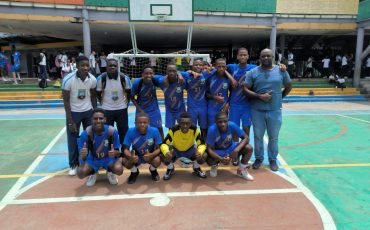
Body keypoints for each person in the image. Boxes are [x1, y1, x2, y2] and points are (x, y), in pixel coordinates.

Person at [244, 48, 292, 171]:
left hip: (274, 110)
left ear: (273, 57)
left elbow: (289, 85)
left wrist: (280, 97)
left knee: (273, 137)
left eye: (268, 56)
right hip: (257, 110)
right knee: (258, 136)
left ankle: (272, 160)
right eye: (263, 56)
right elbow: (245, 89)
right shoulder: (253, 72)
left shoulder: (281, 71)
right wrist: (259, 96)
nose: (266, 58)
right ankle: (259, 158)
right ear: (260, 58)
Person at [62, 55, 97, 176]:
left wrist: (94, 112)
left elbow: (93, 96)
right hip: (74, 113)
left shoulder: (92, 79)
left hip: (88, 112)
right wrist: (70, 120)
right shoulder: (68, 80)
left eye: (87, 65)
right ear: (77, 66)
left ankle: (90, 161)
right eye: (82, 65)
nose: (85, 67)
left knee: (89, 137)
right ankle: (73, 164)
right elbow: (66, 101)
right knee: (73, 139)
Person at [77, 108, 123, 186]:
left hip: (108, 158)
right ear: (91, 120)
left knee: (119, 169)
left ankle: (110, 172)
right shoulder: (86, 133)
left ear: (105, 119)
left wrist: (114, 153)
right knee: (81, 173)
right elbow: (82, 156)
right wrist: (83, 155)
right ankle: (92, 173)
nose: (98, 121)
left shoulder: (111, 131)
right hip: (92, 159)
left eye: (100, 118)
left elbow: (118, 153)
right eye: (95, 118)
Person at [206, 112, 254, 180]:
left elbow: (246, 138)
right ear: (216, 122)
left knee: (249, 148)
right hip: (218, 151)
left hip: (231, 148)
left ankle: (241, 170)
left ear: (228, 121)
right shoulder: (212, 129)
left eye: (225, 121)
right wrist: (221, 159)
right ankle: (214, 165)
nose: (223, 124)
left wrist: (236, 150)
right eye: (220, 122)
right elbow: (209, 149)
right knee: (208, 158)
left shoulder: (232, 125)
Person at [160, 112, 207, 180]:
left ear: (191, 123)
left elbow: (202, 144)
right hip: (176, 150)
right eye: (183, 123)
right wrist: (166, 152)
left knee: (204, 155)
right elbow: (164, 144)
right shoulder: (173, 129)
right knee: (163, 156)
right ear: (179, 123)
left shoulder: (194, 129)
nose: (185, 126)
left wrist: (199, 152)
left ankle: (196, 167)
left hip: (189, 150)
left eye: (187, 123)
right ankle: (170, 168)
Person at [96, 59, 132, 144]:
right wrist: (102, 103)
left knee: (123, 132)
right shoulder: (101, 78)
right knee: (108, 133)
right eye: (110, 65)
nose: (112, 67)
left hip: (121, 109)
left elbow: (129, 92)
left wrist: (126, 104)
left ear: (118, 67)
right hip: (106, 110)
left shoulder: (124, 78)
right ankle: (111, 151)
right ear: (106, 67)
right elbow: (98, 93)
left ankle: (124, 153)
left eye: (114, 65)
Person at [122, 113, 162, 184]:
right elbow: (125, 149)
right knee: (125, 161)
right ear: (135, 123)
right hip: (137, 156)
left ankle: (153, 170)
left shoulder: (155, 131)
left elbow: (159, 149)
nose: (142, 124)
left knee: (157, 160)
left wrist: (151, 155)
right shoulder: (130, 131)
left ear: (149, 122)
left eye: (144, 122)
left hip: (150, 155)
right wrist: (131, 157)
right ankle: (134, 172)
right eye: (140, 122)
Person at [227, 48, 257, 138]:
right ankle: (235, 149)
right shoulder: (232, 67)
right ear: (237, 56)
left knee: (246, 129)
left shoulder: (254, 68)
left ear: (248, 56)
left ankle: (245, 149)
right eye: (240, 55)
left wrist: (281, 66)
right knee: (234, 129)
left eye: (244, 55)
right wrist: (231, 78)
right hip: (234, 104)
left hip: (247, 105)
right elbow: (219, 67)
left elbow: (267, 68)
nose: (242, 56)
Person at [180, 59, 210, 141]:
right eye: (196, 64)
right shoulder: (187, 75)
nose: (198, 66)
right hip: (191, 107)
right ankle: (191, 145)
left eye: (200, 65)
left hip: (203, 107)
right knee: (191, 128)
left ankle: (204, 145)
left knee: (204, 128)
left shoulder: (205, 74)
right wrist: (191, 72)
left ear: (203, 66)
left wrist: (209, 67)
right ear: (193, 66)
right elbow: (177, 72)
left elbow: (217, 69)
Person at [131, 66, 164, 140]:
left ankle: (162, 145)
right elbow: (132, 97)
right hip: (141, 111)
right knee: (139, 129)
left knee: (159, 128)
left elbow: (167, 77)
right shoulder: (137, 83)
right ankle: (138, 147)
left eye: (151, 73)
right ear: (142, 74)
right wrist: (140, 110)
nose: (149, 75)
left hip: (154, 110)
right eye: (146, 73)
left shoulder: (155, 80)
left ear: (153, 74)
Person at [158, 63, 186, 130]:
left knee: (183, 127)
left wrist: (180, 75)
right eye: (169, 71)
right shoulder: (161, 82)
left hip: (180, 108)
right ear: (166, 72)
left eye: (174, 71)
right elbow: (152, 77)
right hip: (169, 110)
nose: (172, 73)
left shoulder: (182, 81)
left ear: (177, 72)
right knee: (171, 129)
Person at [206, 58, 232, 126]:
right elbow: (206, 93)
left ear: (226, 67)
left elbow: (232, 93)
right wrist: (214, 97)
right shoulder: (209, 77)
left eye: (223, 67)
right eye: (219, 67)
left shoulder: (228, 78)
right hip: (212, 108)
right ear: (215, 67)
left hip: (224, 108)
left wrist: (228, 104)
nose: (221, 69)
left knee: (223, 128)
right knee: (212, 127)